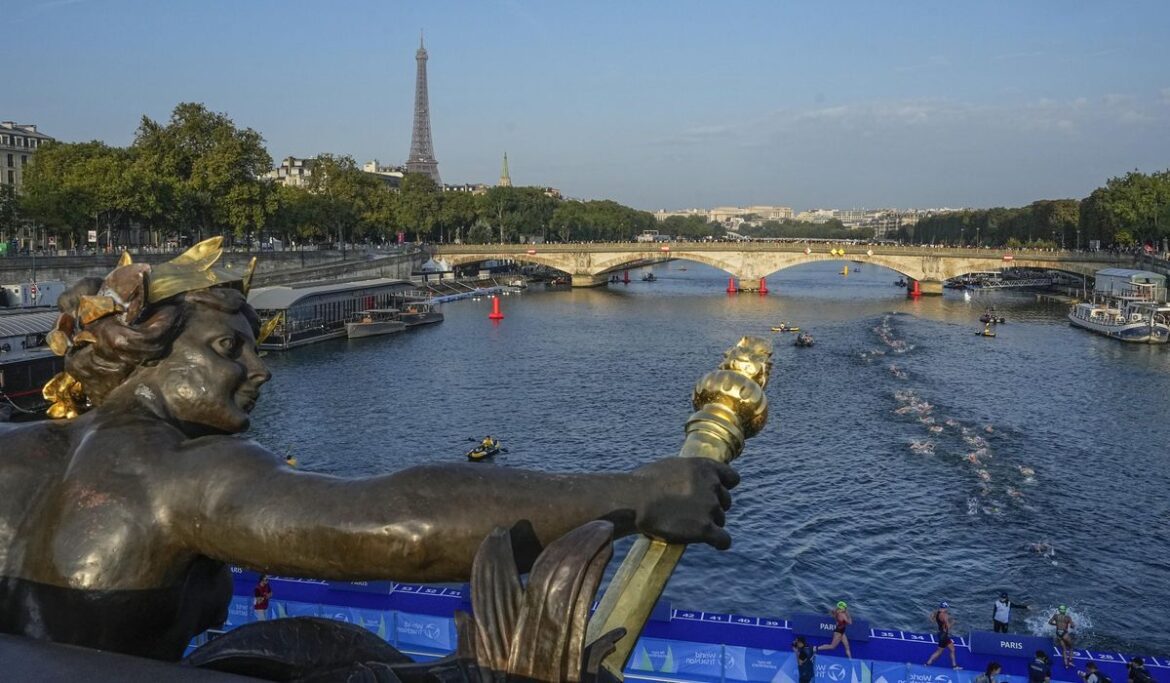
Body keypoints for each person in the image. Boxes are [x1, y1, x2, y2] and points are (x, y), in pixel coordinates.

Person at [0, 239, 740, 662]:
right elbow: (400, 523)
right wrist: (640, 495)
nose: (257, 371)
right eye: (229, 348)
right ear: (148, 354)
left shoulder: (21, 450)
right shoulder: (178, 472)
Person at [926, 601, 960, 669]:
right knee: (939, 652)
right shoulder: (945, 615)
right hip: (944, 636)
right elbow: (948, 627)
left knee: (952, 649)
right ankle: (928, 663)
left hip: (941, 634)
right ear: (945, 607)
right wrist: (953, 622)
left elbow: (931, 618)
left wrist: (939, 622)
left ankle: (954, 665)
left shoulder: (937, 613)